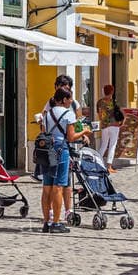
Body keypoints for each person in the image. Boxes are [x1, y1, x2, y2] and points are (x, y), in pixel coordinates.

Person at [41, 88, 91, 233]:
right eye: (70, 99)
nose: (71, 101)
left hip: (46, 151)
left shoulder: (47, 114)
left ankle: (46, 222)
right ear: (63, 99)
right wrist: (84, 132)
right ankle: (56, 223)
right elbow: (71, 137)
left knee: (47, 187)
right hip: (60, 150)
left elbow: (44, 133)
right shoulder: (68, 114)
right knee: (58, 186)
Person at [96, 84, 121, 174]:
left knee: (103, 145)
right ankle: (109, 166)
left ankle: (96, 163)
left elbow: (99, 114)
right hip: (114, 125)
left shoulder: (99, 102)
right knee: (112, 145)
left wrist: (103, 122)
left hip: (104, 126)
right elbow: (118, 114)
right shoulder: (113, 102)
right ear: (112, 92)